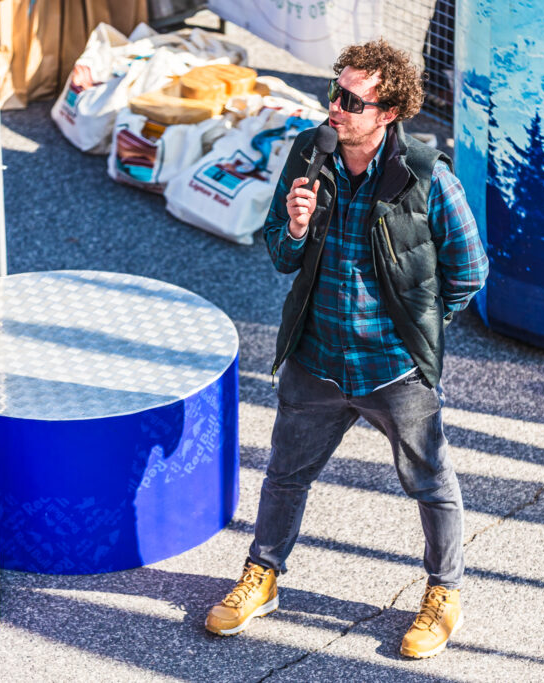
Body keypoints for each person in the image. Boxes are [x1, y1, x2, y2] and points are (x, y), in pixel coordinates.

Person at [204, 38, 488, 659]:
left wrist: (419, 328)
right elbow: (281, 253)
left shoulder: (427, 176)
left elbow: (469, 272)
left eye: (352, 100)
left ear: (389, 112)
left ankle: (444, 593)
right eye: (336, 92)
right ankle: (263, 575)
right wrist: (295, 226)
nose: (335, 106)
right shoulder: (311, 153)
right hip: (317, 357)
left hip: (393, 368)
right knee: (285, 476)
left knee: (431, 482)